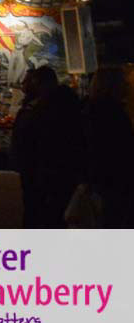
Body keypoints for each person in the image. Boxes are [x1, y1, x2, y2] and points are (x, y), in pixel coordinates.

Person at [23, 66, 84, 228]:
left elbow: (37, 139)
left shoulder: (44, 108)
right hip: (65, 167)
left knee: (47, 212)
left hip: (49, 168)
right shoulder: (70, 103)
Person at [83, 66, 134, 228]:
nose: (127, 86)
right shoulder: (112, 115)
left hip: (100, 182)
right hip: (111, 183)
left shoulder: (91, 111)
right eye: (124, 83)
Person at [10, 70, 41, 227]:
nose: (23, 85)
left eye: (26, 81)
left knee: (36, 206)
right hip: (33, 165)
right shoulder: (31, 108)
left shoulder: (36, 110)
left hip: (38, 166)